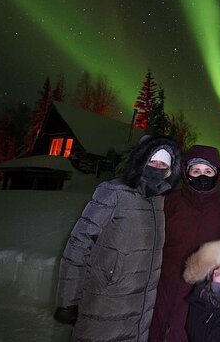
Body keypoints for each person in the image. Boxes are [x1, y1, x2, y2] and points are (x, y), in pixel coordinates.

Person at [54, 134, 182, 341]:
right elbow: (78, 245)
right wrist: (68, 301)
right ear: (140, 161)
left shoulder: (159, 201)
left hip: (139, 313)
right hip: (103, 306)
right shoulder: (113, 192)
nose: (157, 168)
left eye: (163, 164)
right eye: (152, 161)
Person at [149, 145, 220, 342]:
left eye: (208, 171)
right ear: (186, 172)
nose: (202, 176)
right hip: (160, 290)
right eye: (196, 170)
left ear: (217, 175)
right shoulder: (168, 202)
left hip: (198, 298)